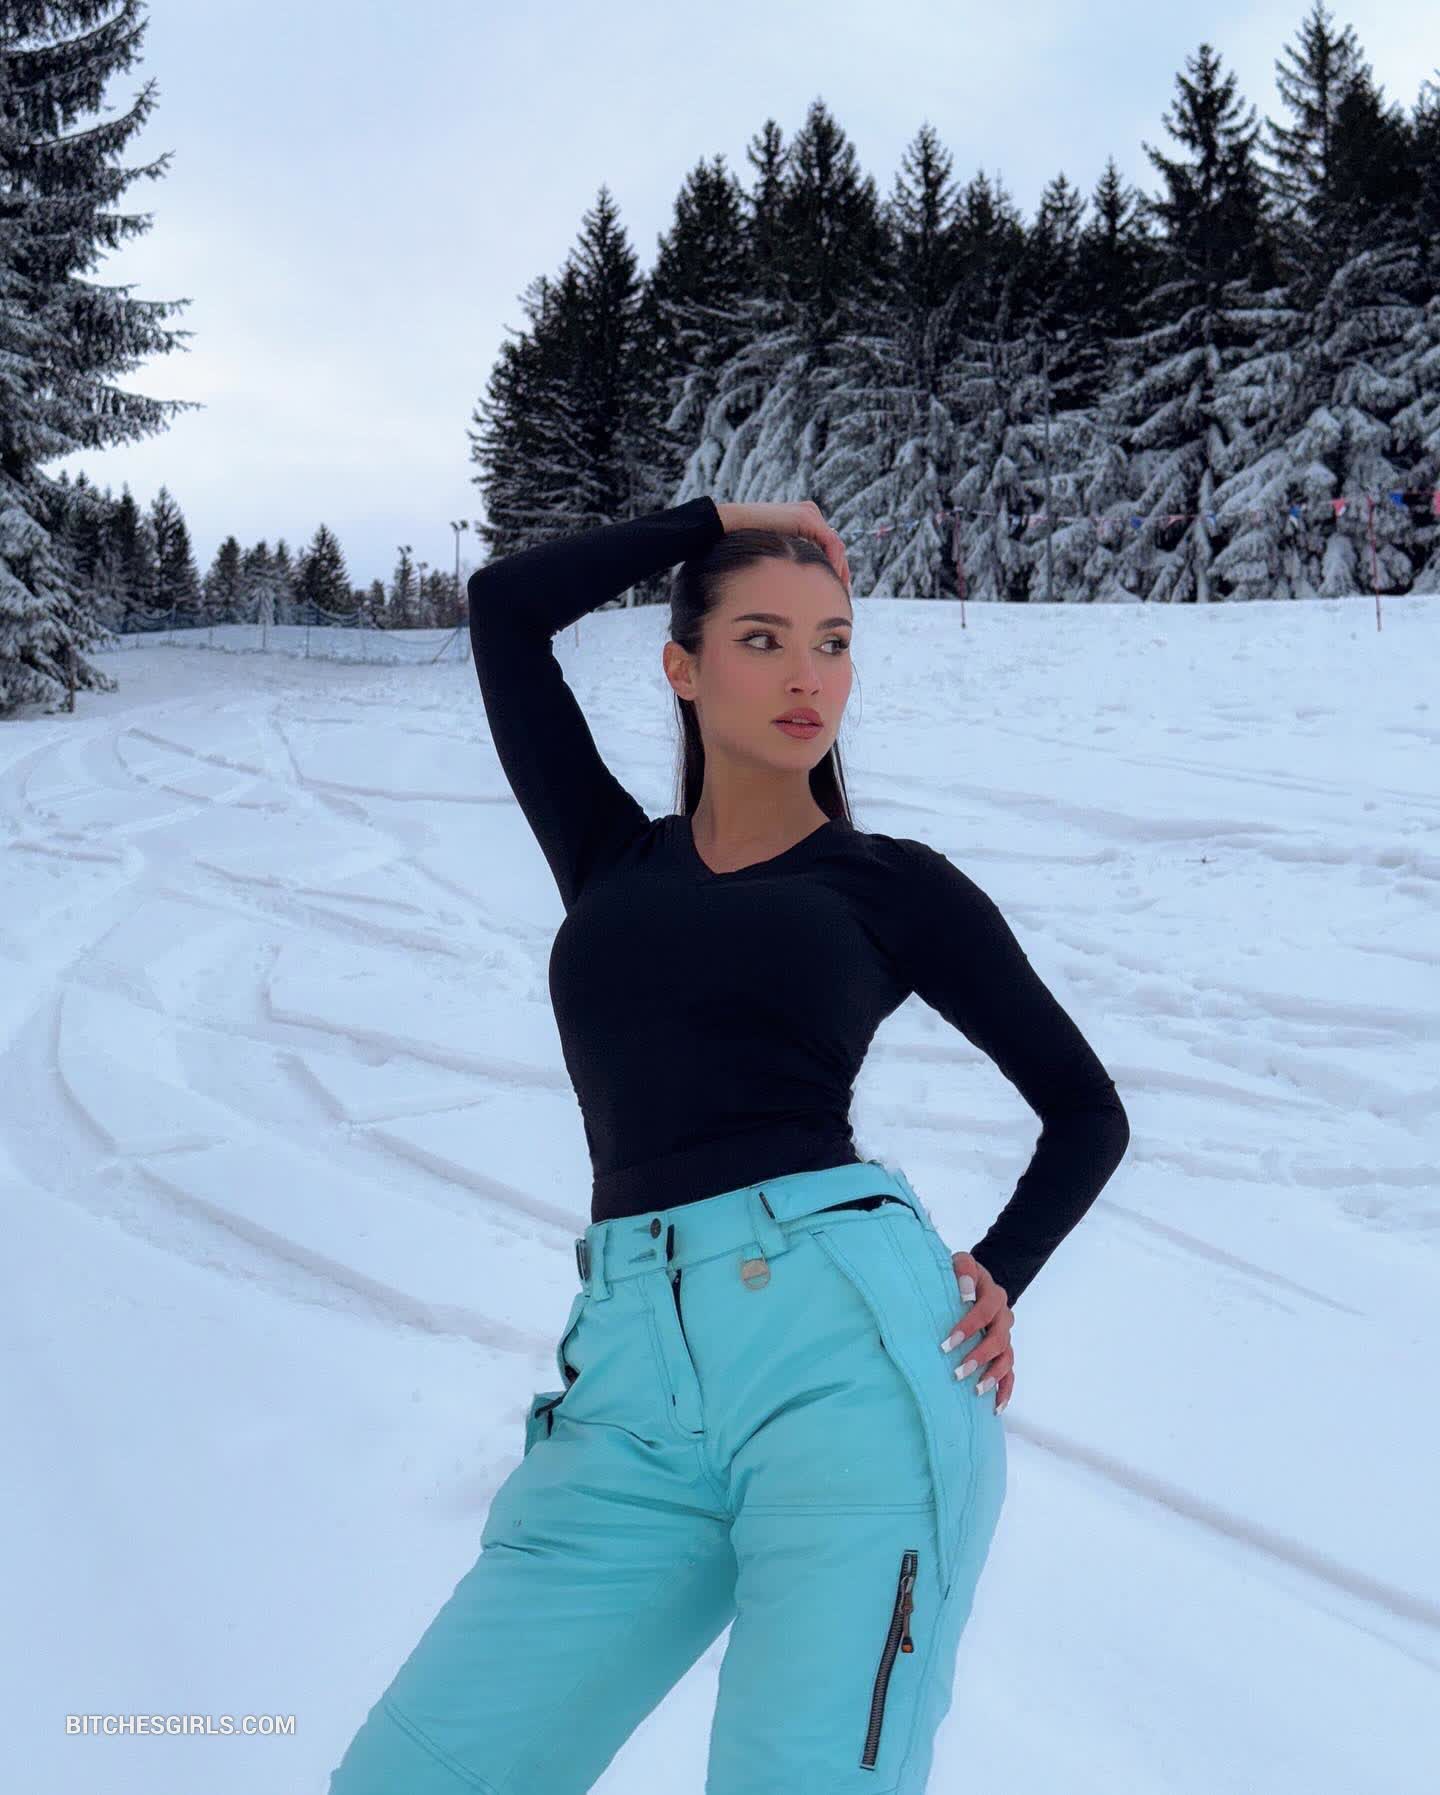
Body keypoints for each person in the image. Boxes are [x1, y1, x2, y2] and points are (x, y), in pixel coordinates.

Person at [327, 495, 1130, 1794]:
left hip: (847, 1369)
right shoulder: (608, 856)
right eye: (762, 639)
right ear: (683, 668)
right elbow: (505, 611)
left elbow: (1086, 1110)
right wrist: (721, 516)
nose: (808, 676)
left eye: (833, 643)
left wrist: (1002, 1271)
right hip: (628, 1384)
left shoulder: (892, 888)